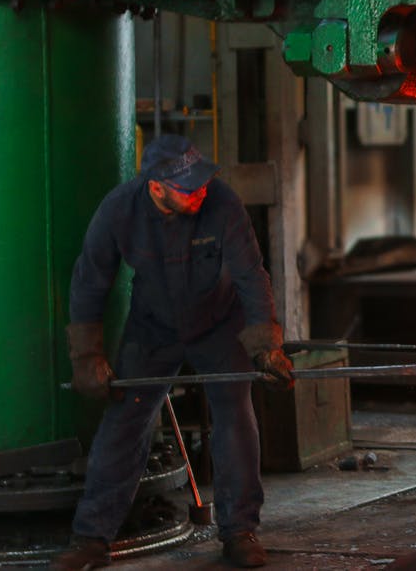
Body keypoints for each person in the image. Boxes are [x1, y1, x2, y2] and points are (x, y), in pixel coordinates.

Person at [53, 134, 294, 570]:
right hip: (153, 329)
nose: (200, 191)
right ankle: (90, 538)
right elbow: (89, 281)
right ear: (156, 187)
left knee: (236, 419)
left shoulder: (222, 203)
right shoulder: (119, 209)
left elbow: (250, 274)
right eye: (188, 187)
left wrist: (266, 346)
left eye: (201, 181)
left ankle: (239, 531)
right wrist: (87, 357)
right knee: (125, 422)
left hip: (221, 325)